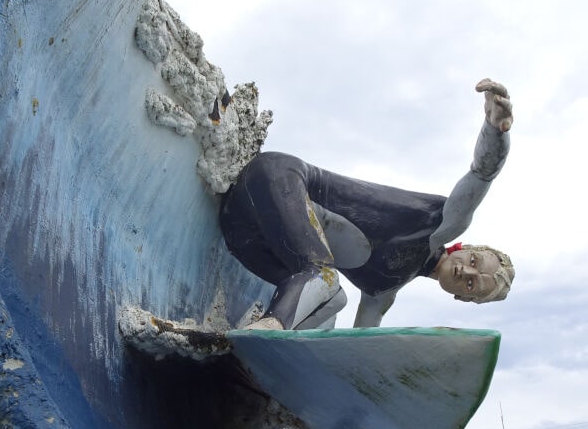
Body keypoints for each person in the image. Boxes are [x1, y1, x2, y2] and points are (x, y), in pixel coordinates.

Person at [219, 79, 514, 330]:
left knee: (334, 301)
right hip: (276, 178)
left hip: (240, 230)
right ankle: (270, 330)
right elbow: (480, 175)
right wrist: (495, 129)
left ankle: (268, 350)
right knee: (324, 279)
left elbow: (361, 340)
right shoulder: (443, 223)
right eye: (473, 262)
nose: (466, 273)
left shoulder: (382, 293)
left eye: (472, 285)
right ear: (466, 247)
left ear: (462, 298)